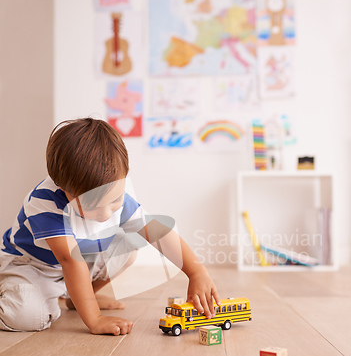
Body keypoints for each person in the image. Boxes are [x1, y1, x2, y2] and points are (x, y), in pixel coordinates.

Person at [0, 118, 220, 335]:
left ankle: (75, 299)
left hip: (73, 265)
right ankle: (31, 293)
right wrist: (95, 319)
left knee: (128, 249)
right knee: (27, 316)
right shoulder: (45, 203)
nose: (106, 214)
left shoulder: (116, 187)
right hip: (33, 266)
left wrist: (196, 272)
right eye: (93, 206)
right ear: (62, 186)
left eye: (115, 202)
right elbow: (70, 262)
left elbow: (157, 231)